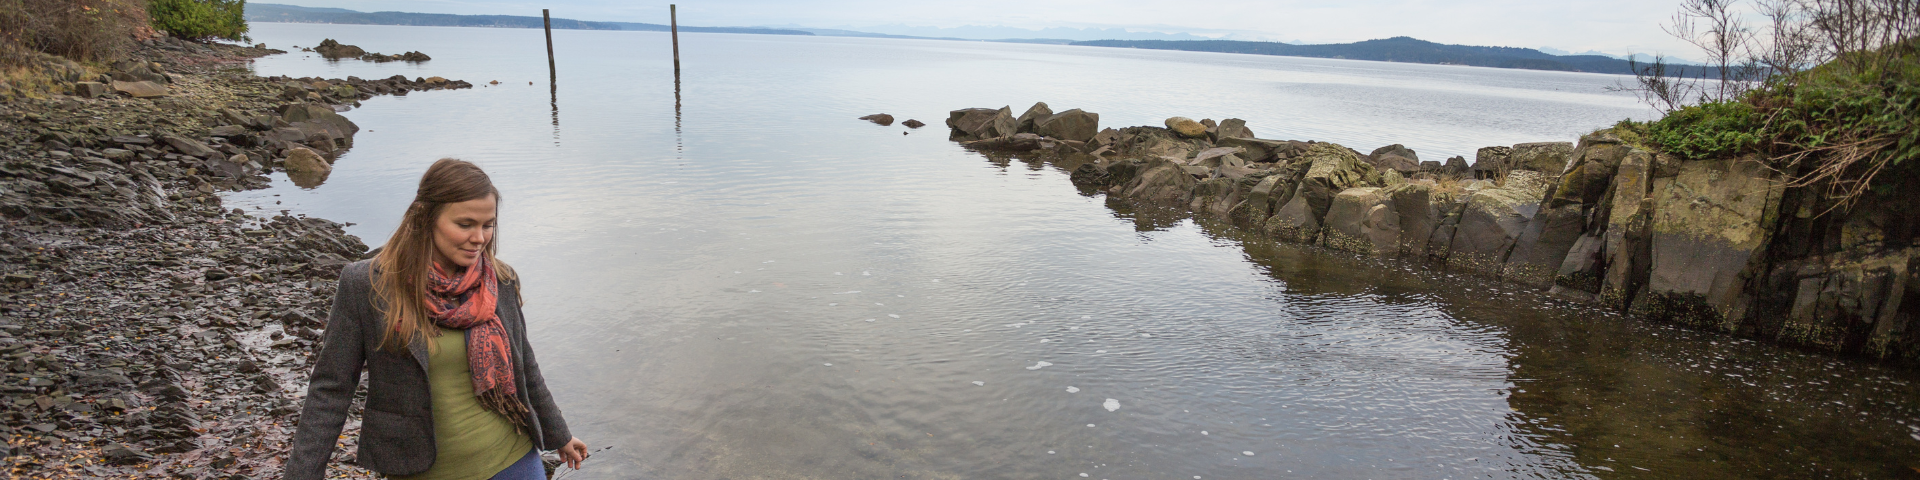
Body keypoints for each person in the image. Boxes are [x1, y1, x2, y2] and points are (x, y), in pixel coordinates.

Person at [286, 159, 588, 480]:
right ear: (426, 218)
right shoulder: (369, 284)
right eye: (465, 224)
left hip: (513, 460)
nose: (479, 238)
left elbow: (524, 365)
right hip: (423, 470)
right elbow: (331, 389)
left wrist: (560, 435)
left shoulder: (499, 280)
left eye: (488, 225)